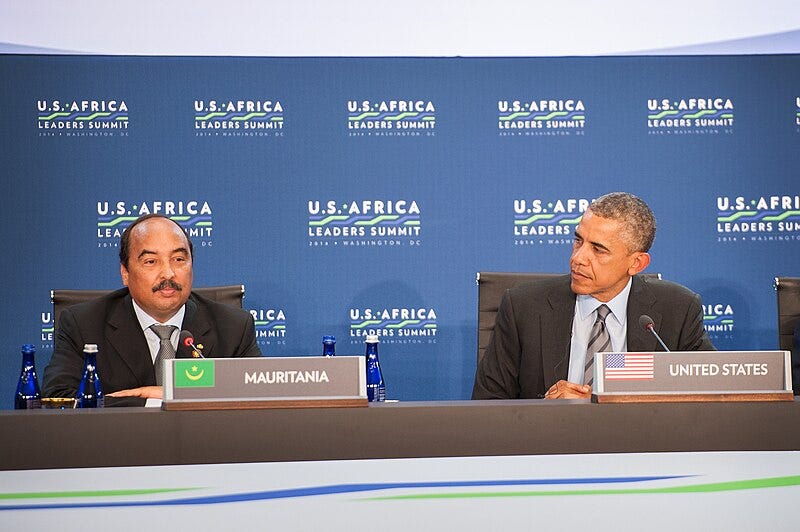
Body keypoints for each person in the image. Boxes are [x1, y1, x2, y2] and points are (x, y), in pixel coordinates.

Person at [473, 192, 714, 400]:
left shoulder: (678, 310)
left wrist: (603, 407)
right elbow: (489, 404)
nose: (578, 258)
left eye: (598, 249)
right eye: (578, 241)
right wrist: (544, 411)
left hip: (639, 448)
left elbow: (709, 396)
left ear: (636, 263)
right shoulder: (523, 306)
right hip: (550, 447)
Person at [42, 214, 262, 406]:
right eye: (151, 261)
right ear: (125, 273)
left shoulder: (233, 327)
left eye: (178, 259)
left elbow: (260, 396)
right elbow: (58, 399)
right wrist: (149, 401)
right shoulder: (83, 325)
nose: (168, 274)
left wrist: (169, 393)